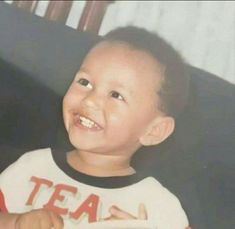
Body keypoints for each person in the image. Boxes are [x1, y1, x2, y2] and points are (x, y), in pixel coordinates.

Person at [0, 26, 192, 229]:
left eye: (116, 95)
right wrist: (15, 222)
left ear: (154, 131)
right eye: (84, 82)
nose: (90, 100)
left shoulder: (154, 204)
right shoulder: (32, 166)